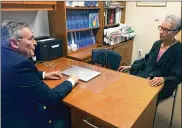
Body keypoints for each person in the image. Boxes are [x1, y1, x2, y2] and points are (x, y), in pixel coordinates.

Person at [1, 20, 79, 128]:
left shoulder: (5, 55)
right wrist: (71, 80)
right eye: (30, 38)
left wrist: (43, 75)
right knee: (66, 113)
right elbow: (51, 98)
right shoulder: (21, 64)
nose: (35, 42)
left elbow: (15, 75)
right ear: (14, 43)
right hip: (19, 120)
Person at [118, 14, 182, 101]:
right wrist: (131, 67)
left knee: (139, 99)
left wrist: (164, 79)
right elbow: (146, 61)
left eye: (166, 30)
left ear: (176, 32)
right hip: (145, 78)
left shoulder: (179, 50)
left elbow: (178, 77)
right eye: (161, 28)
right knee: (125, 88)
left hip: (162, 86)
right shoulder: (157, 44)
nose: (161, 32)